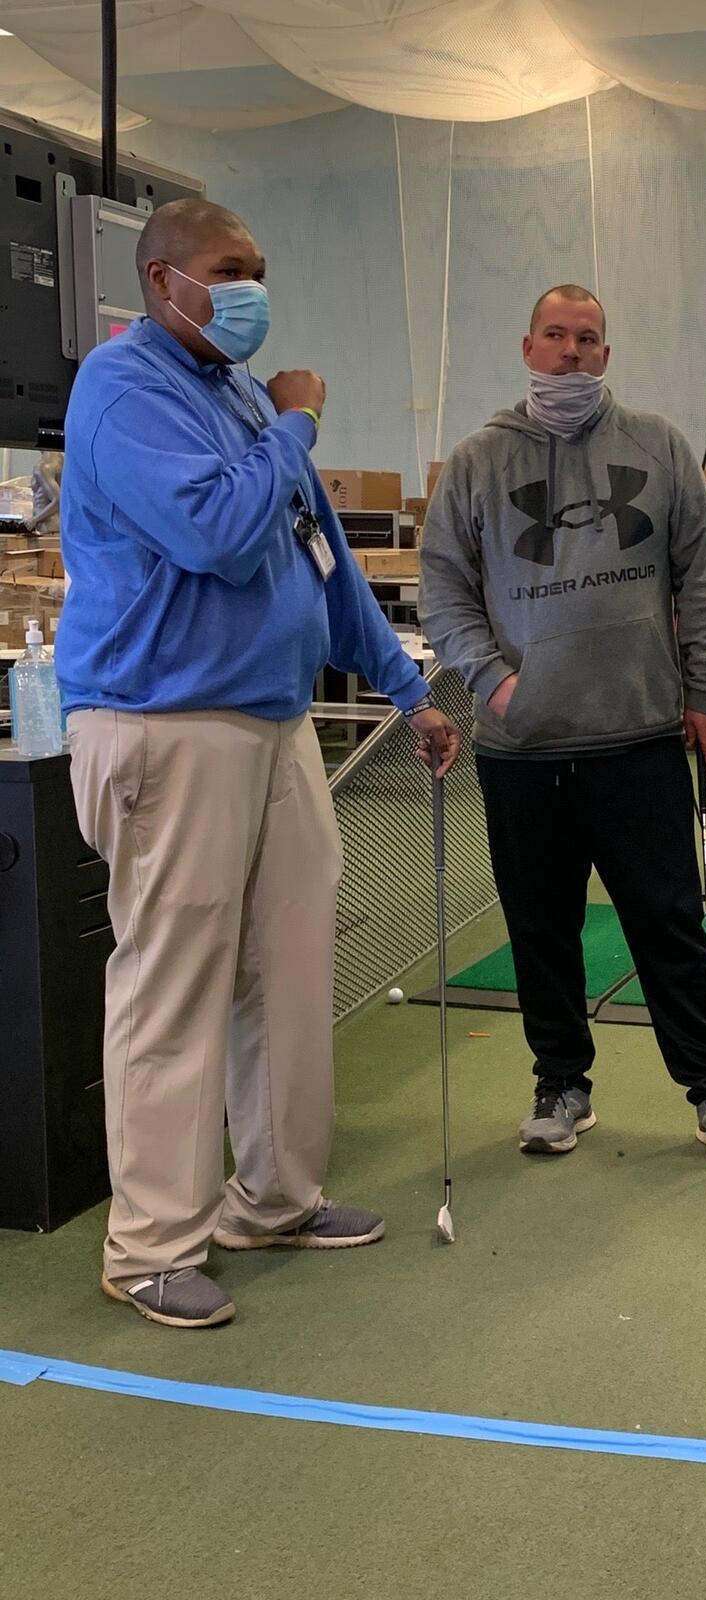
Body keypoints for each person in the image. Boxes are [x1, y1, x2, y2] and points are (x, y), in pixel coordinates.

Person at [58, 198, 461, 1329]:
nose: (250, 290)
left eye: (258, 269)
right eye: (228, 269)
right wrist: (295, 426)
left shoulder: (240, 394)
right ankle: (149, 1247)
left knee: (287, 968)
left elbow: (318, 555)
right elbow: (217, 534)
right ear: (161, 282)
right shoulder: (123, 389)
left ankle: (274, 1198)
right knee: (174, 982)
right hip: (165, 722)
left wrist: (407, 687)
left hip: (272, 722)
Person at [420, 284, 706, 1171]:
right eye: (556, 335)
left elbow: (705, 579)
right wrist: (495, 685)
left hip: (637, 739)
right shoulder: (477, 461)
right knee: (540, 928)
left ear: (606, 354)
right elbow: (444, 590)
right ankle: (561, 1085)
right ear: (528, 347)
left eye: (587, 338)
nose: (571, 352)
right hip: (522, 750)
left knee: (670, 924)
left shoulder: (657, 446)